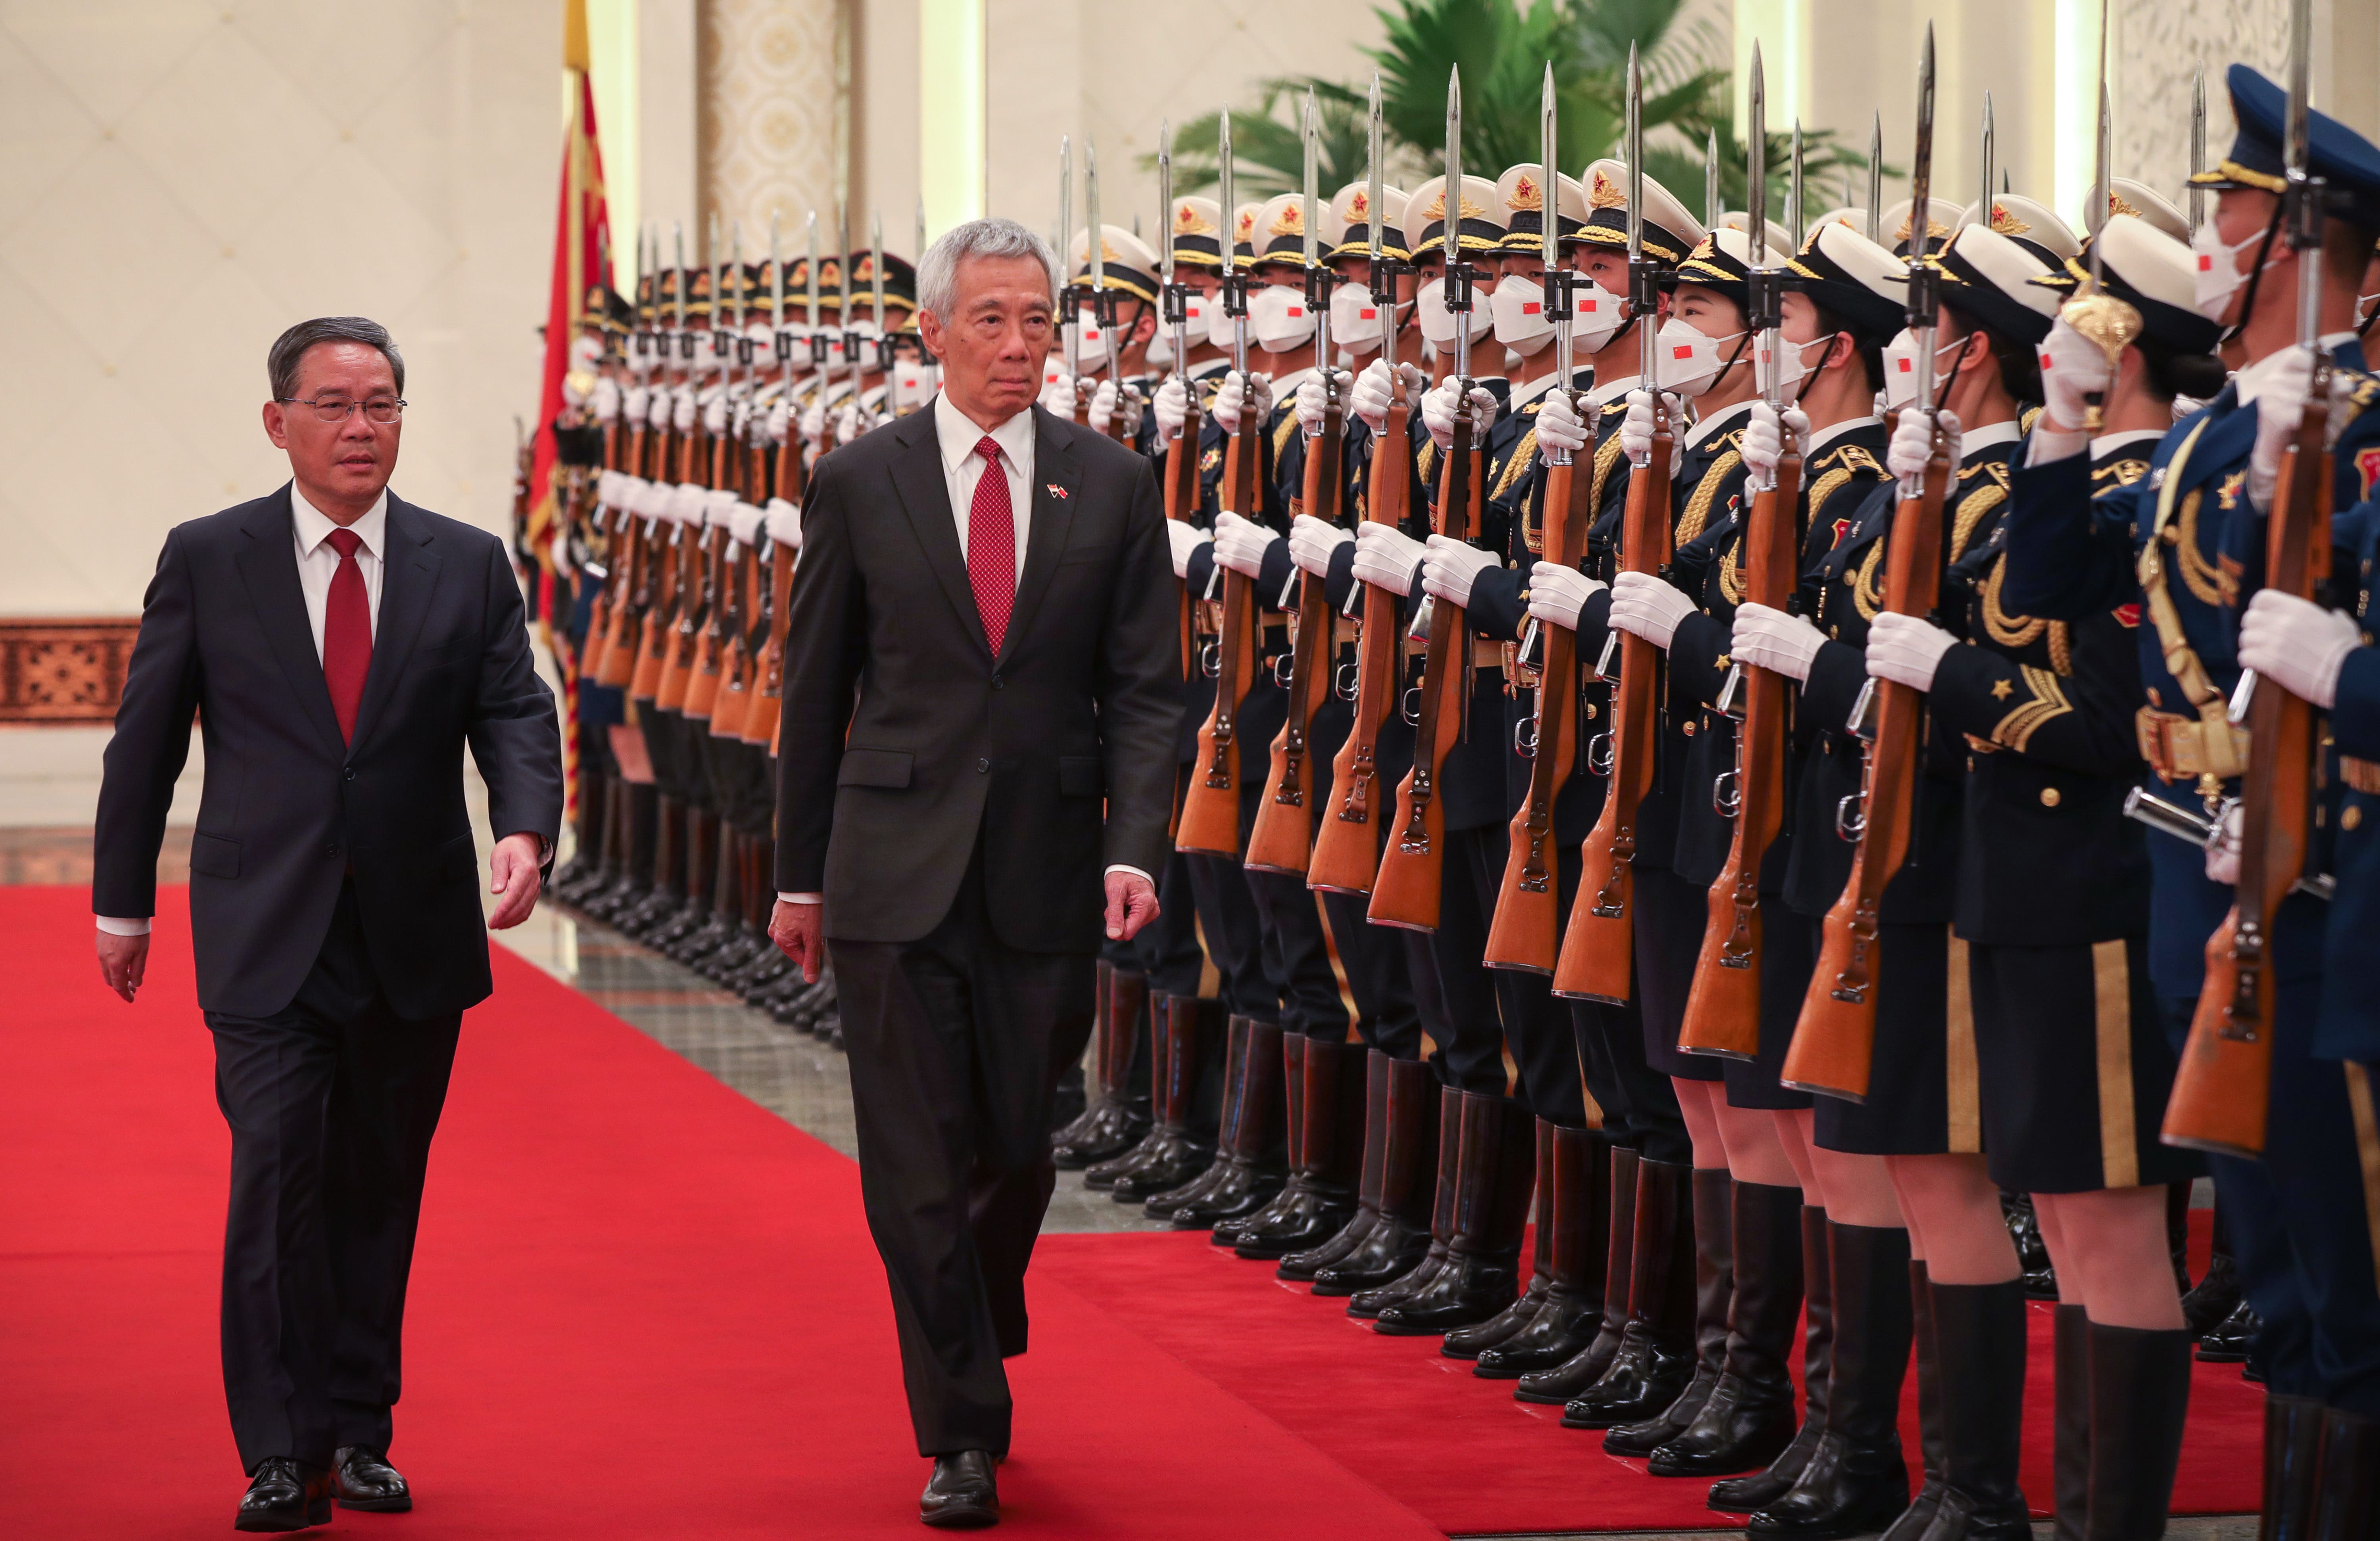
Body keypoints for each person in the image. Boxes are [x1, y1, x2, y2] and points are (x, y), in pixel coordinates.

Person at [91, 315, 563, 1531]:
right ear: (279, 422)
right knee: (275, 1184)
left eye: (382, 405)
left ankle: (358, 1434)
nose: (362, 428)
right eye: (336, 405)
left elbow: (515, 710)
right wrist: (122, 901)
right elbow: (146, 743)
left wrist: (525, 827)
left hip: (412, 933)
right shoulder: (212, 557)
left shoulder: (467, 563)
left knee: (377, 1193)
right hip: (266, 930)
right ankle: (278, 1450)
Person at [766, 216, 1177, 1528]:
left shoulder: (1111, 482)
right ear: (932, 332)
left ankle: (973, 1308)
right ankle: (960, 1428)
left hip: (1045, 865)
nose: (1017, 345)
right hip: (891, 869)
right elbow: (814, 692)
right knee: (916, 1160)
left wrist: (1134, 843)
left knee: (1017, 1144)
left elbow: (1149, 690)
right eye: (990, 320)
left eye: (1037, 320)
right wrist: (798, 877)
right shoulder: (859, 480)